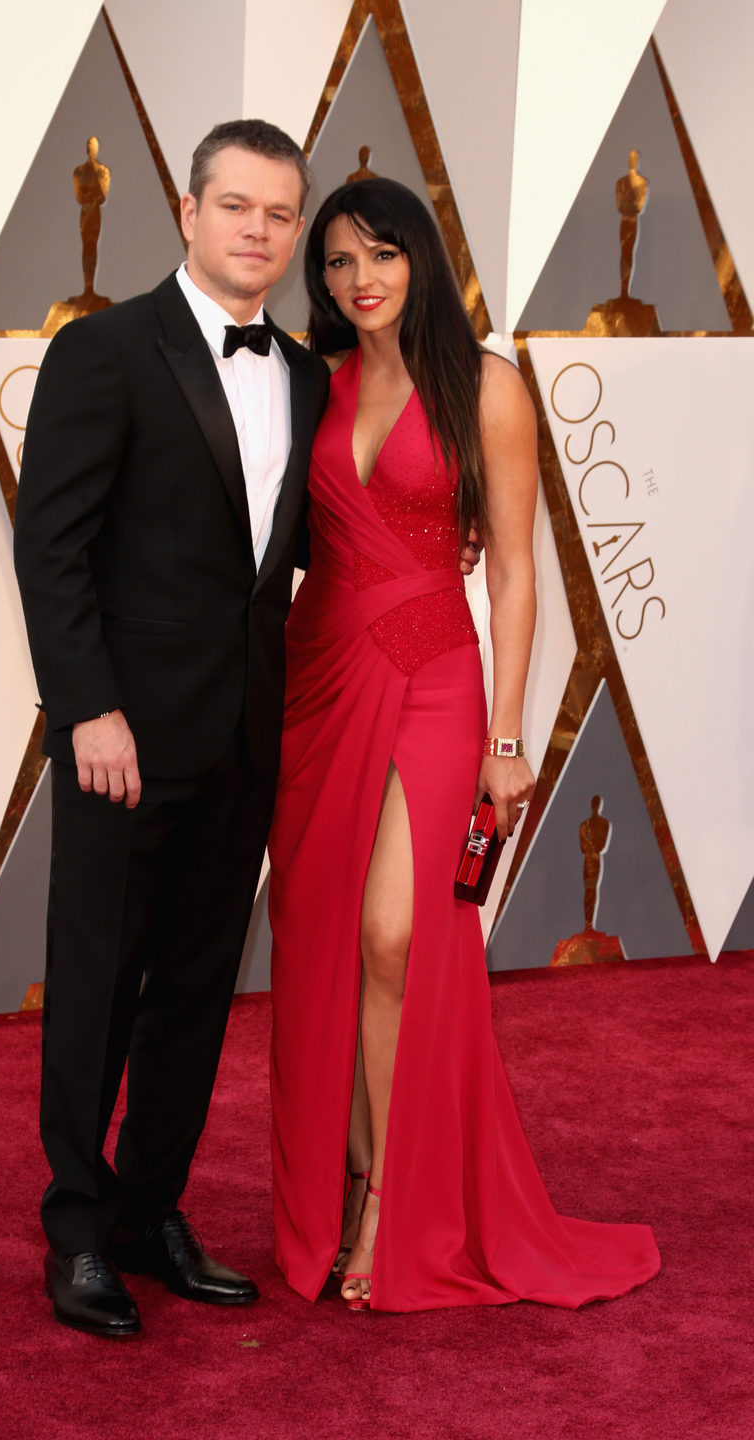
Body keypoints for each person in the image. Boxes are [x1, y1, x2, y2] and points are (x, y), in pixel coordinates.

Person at [267, 177, 660, 1312]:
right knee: (326, 939)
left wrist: (507, 738)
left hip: (441, 677)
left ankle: (395, 1197)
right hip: (319, 674)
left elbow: (524, 573)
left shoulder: (486, 387)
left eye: (379, 255)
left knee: (396, 931)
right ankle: (343, 1186)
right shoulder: (320, 384)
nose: (359, 280)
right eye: (337, 264)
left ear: (421, 258)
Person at [13, 119, 329, 1337]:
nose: (258, 230)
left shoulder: (304, 373)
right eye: (236, 206)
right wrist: (87, 706)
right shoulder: (103, 351)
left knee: (194, 996)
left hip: (246, 740)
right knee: (95, 989)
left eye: (279, 213)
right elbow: (53, 549)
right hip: (121, 742)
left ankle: (150, 1210)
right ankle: (78, 1231)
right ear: (187, 212)